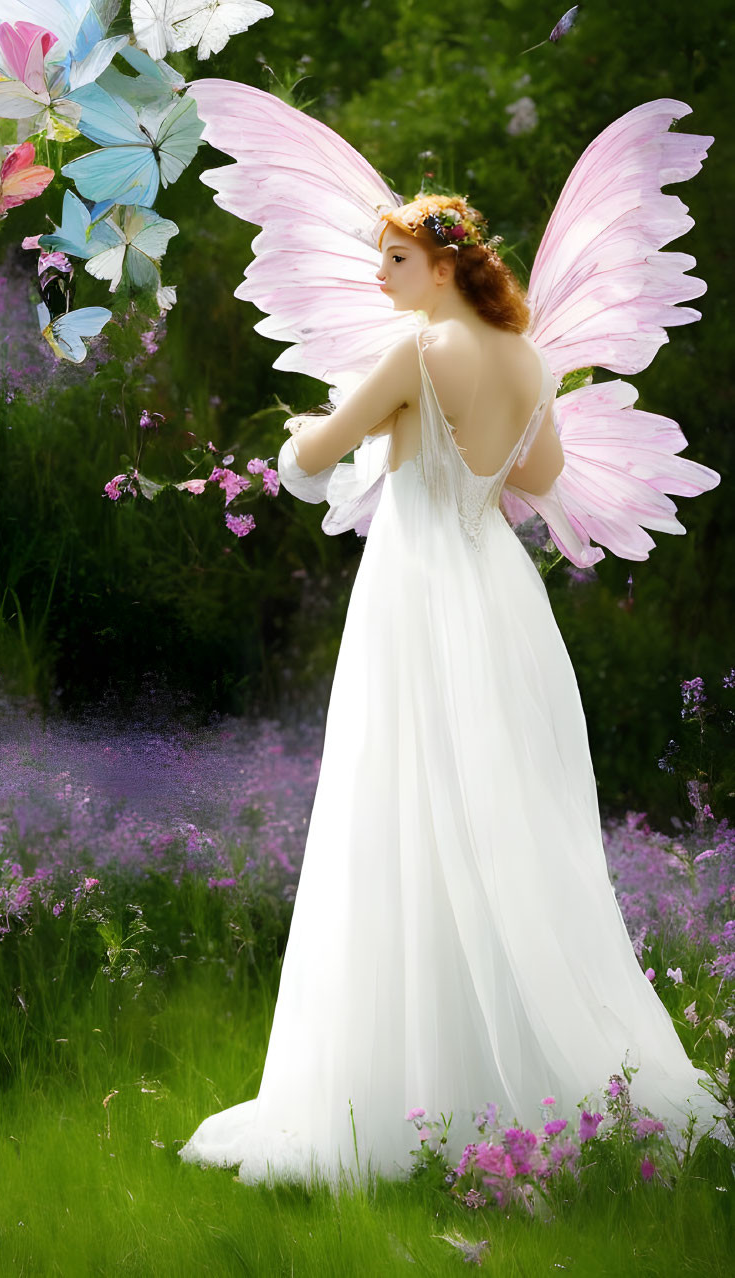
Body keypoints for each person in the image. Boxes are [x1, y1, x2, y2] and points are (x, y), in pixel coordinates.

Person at [176, 191, 723, 1188]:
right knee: (502, 816)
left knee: (398, 809)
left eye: (391, 261)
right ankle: (531, 1074)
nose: (379, 277)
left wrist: (317, 427)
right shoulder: (524, 359)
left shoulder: (419, 352)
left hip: (415, 592)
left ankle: (404, 1090)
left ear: (437, 267)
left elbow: (308, 458)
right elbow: (543, 474)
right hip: (496, 595)